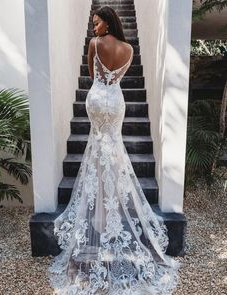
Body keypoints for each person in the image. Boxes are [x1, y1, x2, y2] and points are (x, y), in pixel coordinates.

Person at [48, 6, 182, 295]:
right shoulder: (129, 49)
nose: (93, 28)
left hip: (97, 99)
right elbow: (116, 78)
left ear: (107, 22)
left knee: (97, 149)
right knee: (114, 149)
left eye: (96, 23)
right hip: (116, 101)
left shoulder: (95, 44)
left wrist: (99, 66)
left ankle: (100, 211)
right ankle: (110, 208)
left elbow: (92, 73)